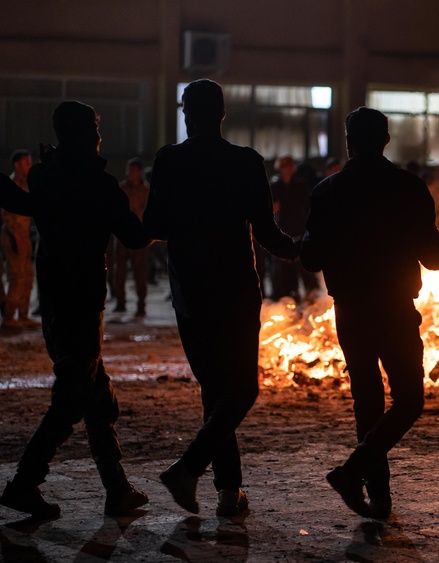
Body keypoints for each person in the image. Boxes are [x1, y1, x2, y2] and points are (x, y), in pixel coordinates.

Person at [145, 79, 299, 517]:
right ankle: (190, 469)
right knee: (241, 390)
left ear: (186, 114)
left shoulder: (169, 161)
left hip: (189, 291)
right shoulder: (245, 162)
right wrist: (303, 249)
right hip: (234, 291)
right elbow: (268, 235)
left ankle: (229, 492)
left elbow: (153, 226)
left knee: (216, 391)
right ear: (223, 113)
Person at [301, 107, 439, 520]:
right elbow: (432, 257)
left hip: (351, 311)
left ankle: (378, 494)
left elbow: (312, 257)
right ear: (386, 140)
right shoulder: (407, 188)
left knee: (367, 400)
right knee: (408, 400)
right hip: (393, 308)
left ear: (349, 141)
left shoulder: (327, 192)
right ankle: (356, 474)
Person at [0, 101, 149, 519]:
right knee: (71, 398)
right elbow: (135, 237)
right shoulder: (102, 186)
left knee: (96, 396)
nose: (100, 135)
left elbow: (23, 200)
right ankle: (24, 484)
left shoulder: (45, 176)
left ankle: (117, 489)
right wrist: (168, 213)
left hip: (53, 299)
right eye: (96, 127)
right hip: (84, 299)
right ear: (85, 134)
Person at [269, 155, 319, 302]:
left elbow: (308, 206)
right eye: (284, 166)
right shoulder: (275, 186)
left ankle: (311, 295)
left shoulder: (300, 185)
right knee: (283, 267)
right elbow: (271, 207)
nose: (287, 170)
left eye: (289, 166)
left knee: (303, 265)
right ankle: (287, 295)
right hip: (282, 229)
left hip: (299, 227)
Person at [2, 149, 38, 329]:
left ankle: (23, 315)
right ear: (17, 165)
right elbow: (8, 217)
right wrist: (17, 237)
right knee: (16, 276)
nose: (29, 166)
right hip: (13, 236)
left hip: (24, 235)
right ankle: (9, 317)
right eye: (26, 163)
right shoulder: (11, 184)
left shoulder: (26, 184)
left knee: (28, 276)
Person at [112, 158, 149, 316]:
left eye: (134, 170)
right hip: (121, 239)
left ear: (140, 172)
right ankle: (121, 303)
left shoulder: (147, 191)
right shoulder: (120, 189)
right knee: (119, 273)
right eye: (129, 170)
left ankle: (141, 305)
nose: (131, 174)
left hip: (139, 238)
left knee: (140, 272)